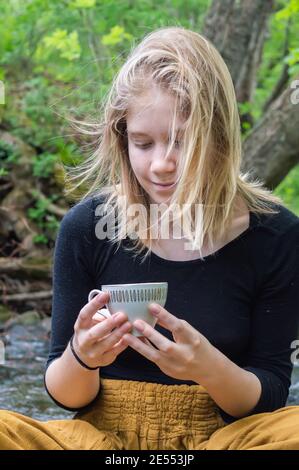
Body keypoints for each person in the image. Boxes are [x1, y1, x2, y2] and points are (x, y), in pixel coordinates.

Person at [1, 26, 299, 451]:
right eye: (143, 143)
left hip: (223, 440)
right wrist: (83, 356)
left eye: (181, 141)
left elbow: (269, 395)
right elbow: (65, 394)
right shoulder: (87, 228)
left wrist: (208, 367)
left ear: (218, 136)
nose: (161, 164)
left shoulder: (278, 236)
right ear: (121, 140)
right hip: (101, 442)